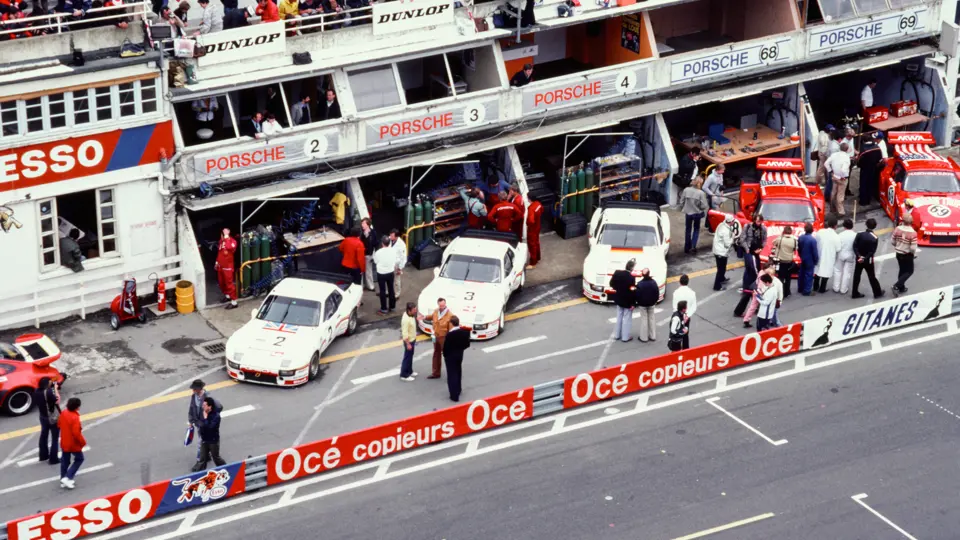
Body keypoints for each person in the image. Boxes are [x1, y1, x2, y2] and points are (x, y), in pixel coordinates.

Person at [187, 379, 220, 460]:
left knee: (201, 440)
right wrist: (191, 421)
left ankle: (200, 458)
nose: (193, 390)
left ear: (199, 388)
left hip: (206, 423)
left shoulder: (207, 397)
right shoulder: (194, 396)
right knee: (204, 439)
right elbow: (191, 408)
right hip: (198, 422)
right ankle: (207, 455)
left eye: (194, 389)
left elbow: (216, 409)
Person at [852, 218, 884, 299]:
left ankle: (854, 292)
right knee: (871, 276)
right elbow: (872, 251)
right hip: (868, 260)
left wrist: (859, 256)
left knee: (857, 275)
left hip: (859, 259)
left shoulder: (859, 234)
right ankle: (877, 293)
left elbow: (855, 246)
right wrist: (865, 258)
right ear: (875, 226)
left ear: (866, 224)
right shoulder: (874, 238)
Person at [192, 397, 227, 471]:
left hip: (213, 441)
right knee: (202, 458)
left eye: (204, 405)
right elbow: (200, 423)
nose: (203, 407)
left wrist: (205, 418)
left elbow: (210, 427)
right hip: (204, 439)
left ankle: (226, 468)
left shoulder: (216, 416)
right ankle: (199, 472)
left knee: (216, 457)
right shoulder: (204, 412)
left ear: (210, 407)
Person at [58, 397, 85, 489]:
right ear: (76, 407)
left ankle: (62, 479)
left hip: (64, 441)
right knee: (79, 459)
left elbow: (59, 424)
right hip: (73, 444)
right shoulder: (75, 418)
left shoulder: (64, 413)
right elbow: (76, 433)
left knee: (65, 461)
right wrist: (83, 442)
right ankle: (68, 477)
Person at [443, 317, 470, 402]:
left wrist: (445, 355)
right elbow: (467, 344)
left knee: (452, 375)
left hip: (450, 357)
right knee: (458, 371)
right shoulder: (464, 332)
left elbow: (445, 348)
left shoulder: (450, 335)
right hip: (459, 355)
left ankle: (454, 395)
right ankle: (458, 389)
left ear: (451, 323)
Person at [678, 177, 708, 254]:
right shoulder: (701, 193)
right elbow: (704, 206)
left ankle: (686, 247)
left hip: (688, 213)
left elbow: (681, 202)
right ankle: (693, 246)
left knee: (688, 230)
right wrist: (699, 208)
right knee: (696, 229)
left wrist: (684, 207)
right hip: (697, 213)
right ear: (700, 184)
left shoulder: (686, 190)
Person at [610, 259, 636, 343]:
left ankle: (617, 335)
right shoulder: (631, 278)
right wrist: (633, 303)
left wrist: (618, 289)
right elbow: (632, 292)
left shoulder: (617, 273)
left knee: (619, 317)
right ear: (632, 268)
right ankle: (625, 337)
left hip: (619, 298)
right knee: (627, 319)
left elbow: (611, 284)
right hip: (627, 301)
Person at [892, 214, 918, 296]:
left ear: (902, 221)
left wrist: (898, 246)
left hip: (898, 253)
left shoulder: (897, 229)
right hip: (907, 254)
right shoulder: (913, 233)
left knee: (902, 270)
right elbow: (913, 248)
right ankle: (896, 286)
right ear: (911, 222)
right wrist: (913, 253)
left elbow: (892, 241)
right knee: (910, 271)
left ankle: (901, 287)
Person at [36, 378, 60, 465]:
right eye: (50, 382)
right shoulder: (48, 392)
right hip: (52, 418)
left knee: (43, 436)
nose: (51, 383)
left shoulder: (36, 391)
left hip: (42, 416)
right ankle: (53, 459)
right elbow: (57, 400)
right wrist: (56, 389)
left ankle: (43, 455)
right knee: (54, 438)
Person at [813, 216, 840, 294]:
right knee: (826, 272)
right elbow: (838, 249)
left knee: (818, 270)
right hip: (829, 256)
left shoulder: (820, 231)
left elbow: (815, 240)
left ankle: (815, 286)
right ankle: (822, 288)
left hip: (819, 254)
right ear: (835, 226)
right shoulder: (836, 236)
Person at [857, 132, 885, 206]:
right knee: (870, 183)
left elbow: (859, 161)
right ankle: (868, 199)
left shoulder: (863, 149)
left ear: (864, 140)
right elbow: (880, 158)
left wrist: (860, 165)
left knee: (863, 184)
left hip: (864, 169)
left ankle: (863, 201)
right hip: (873, 168)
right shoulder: (877, 147)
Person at [214, 228, 238, 309]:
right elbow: (220, 252)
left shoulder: (232, 241)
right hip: (220, 266)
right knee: (222, 283)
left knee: (229, 284)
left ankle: (234, 302)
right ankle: (227, 296)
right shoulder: (221, 241)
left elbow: (230, 248)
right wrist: (217, 262)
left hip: (228, 267)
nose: (222, 236)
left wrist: (227, 238)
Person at [429, 298, 453, 379]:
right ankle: (435, 373)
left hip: (444, 338)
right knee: (436, 354)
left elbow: (451, 330)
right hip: (435, 336)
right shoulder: (436, 311)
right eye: (440, 305)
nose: (442, 307)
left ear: (445, 304)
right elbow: (432, 316)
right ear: (438, 305)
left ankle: (451, 374)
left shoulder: (450, 315)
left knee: (447, 356)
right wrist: (424, 317)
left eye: (443, 305)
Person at [825, 142, 851, 215]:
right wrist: (842, 176)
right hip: (842, 179)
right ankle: (840, 211)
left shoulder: (834, 155)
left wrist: (831, 171)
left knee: (833, 192)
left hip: (834, 176)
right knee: (840, 195)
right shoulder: (846, 157)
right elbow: (843, 170)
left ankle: (832, 208)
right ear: (847, 149)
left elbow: (826, 163)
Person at [633, 268, 658, 343]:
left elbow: (637, 295)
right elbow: (657, 293)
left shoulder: (640, 284)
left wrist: (638, 302)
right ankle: (652, 336)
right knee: (651, 319)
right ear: (649, 273)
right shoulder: (653, 282)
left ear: (642, 274)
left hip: (642, 304)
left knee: (644, 320)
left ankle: (644, 337)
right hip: (651, 304)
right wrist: (654, 301)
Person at [772, 226, 798, 297]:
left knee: (781, 277)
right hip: (789, 261)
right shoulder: (794, 240)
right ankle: (787, 291)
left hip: (781, 261)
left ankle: (781, 292)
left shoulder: (780, 239)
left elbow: (773, 242)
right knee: (788, 277)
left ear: (784, 231)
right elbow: (795, 248)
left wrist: (781, 236)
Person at [374, 236, 397, 315]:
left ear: (382, 243)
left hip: (381, 273)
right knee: (391, 289)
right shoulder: (393, 251)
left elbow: (376, 261)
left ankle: (384, 309)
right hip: (390, 272)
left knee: (382, 291)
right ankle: (392, 306)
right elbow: (396, 260)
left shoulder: (378, 252)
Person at [833, 218, 857, 294]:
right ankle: (843, 289)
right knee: (847, 273)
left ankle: (836, 287)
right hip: (850, 255)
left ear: (844, 226)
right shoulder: (855, 235)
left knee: (838, 270)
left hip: (841, 254)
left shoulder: (840, 235)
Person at [712, 214, 736, 290]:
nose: (734, 221)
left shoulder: (721, 225)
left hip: (718, 250)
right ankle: (717, 286)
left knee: (723, 267)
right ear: (730, 221)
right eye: (733, 221)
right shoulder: (725, 231)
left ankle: (722, 278)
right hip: (721, 252)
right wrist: (733, 237)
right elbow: (727, 244)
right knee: (721, 269)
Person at [672, 274, 696, 348]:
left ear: (680, 282)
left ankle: (677, 350)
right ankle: (686, 350)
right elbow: (693, 307)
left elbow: (674, 306)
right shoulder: (692, 293)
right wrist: (687, 316)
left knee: (676, 334)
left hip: (678, 316)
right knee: (685, 334)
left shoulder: (676, 292)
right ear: (688, 282)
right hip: (687, 317)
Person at [797, 223, 819, 296]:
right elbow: (815, 252)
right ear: (812, 230)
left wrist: (800, 255)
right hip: (810, 259)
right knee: (809, 275)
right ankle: (807, 291)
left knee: (802, 274)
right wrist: (816, 260)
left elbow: (799, 249)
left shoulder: (801, 237)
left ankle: (800, 288)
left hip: (803, 257)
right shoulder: (813, 240)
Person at [399, 302, 418, 381]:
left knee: (410, 356)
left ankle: (410, 371)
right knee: (407, 358)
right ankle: (404, 375)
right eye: (414, 310)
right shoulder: (406, 320)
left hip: (412, 339)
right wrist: (408, 344)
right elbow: (405, 333)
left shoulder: (410, 315)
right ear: (409, 310)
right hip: (409, 341)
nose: (415, 311)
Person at [526, 194, 544, 268]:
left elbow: (531, 220)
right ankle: (538, 257)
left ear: (530, 199)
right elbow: (542, 210)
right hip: (537, 226)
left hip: (532, 229)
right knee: (536, 242)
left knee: (532, 245)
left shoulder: (531, 208)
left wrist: (527, 223)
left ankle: (533, 263)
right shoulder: (538, 204)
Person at [360, 218, 378, 291]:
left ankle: (370, 286)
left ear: (368, 224)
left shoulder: (373, 232)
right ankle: (362, 286)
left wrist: (374, 254)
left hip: (368, 254)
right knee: (361, 271)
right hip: (361, 254)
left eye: (363, 223)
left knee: (368, 271)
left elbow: (376, 243)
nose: (362, 225)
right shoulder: (361, 232)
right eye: (362, 223)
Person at [389, 229, 407, 295]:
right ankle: (389, 291)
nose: (390, 237)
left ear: (396, 237)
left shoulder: (401, 245)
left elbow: (403, 258)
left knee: (397, 280)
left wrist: (400, 268)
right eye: (390, 235)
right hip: (389, 263)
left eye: (392, 236)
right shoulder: (389, 240)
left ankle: (397, 294)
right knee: (389, 279)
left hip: (396, 265)